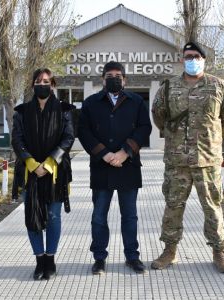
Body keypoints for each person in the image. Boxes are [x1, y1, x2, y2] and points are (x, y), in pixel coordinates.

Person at [151, 41, 224, 273]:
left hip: (207, 161)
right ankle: (169, 252)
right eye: (188, 56)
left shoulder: (218, 86)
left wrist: (214, 141)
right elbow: (158, 115)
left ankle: (219, 252)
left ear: (204, 59)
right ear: (182, 59)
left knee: (212, 207)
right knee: (173, 206)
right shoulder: (168, 87)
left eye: (196, 56)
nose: (192, 59)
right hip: (177, 160)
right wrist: (174, 137)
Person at [78, 61, 152, 275]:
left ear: (125, 79)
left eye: (118, 75)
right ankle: (99, 258)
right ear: (102, 79)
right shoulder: (91, 102)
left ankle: (132, 257)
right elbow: (83, 131)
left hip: (128, 165)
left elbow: (144, 128)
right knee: (99, 216)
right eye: (109, 75)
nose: (114, 78)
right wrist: (104, 154)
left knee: (129, 215)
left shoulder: (136, 101)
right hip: (102, 166)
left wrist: (124, 152)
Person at [11, 68, 75, 280]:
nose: (42, 84)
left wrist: (48, 163)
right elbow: (17, 140)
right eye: (38, 81)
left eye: (46, 81)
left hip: (55, 172)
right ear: (32, 85)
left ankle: (50, 259)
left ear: (53, 84)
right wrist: (31, 162)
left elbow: (68, 138)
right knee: (33, 215)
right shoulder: (21, 112)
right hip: (30, 173)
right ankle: (39, 261)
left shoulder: (65, 110)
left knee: (54, 217)